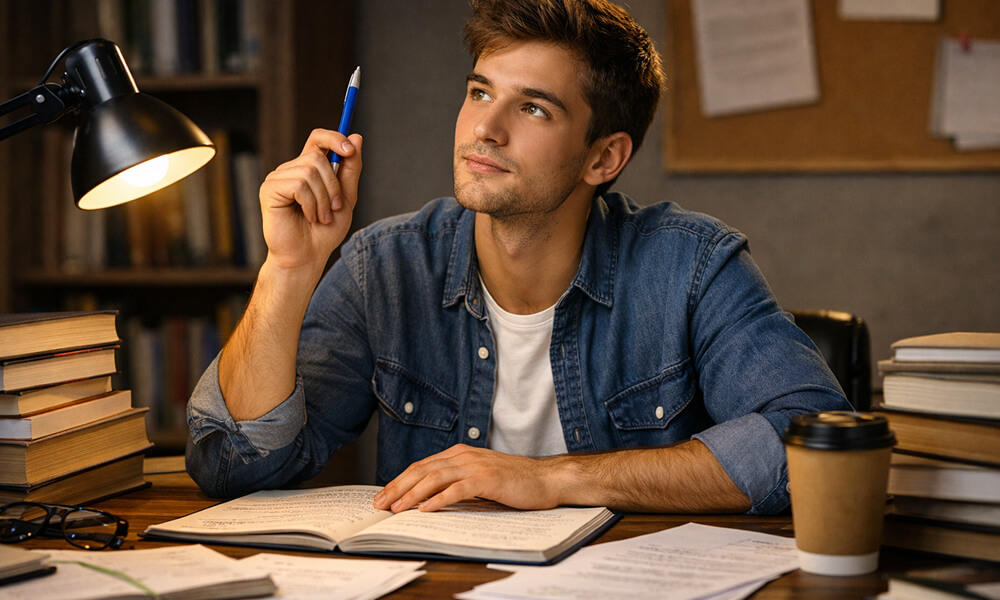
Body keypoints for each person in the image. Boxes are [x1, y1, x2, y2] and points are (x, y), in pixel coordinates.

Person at [185, 0, 849, 516]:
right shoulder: (383, 269)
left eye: (532, 108)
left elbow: (814, 444)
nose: (485, 128)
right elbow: (234, 467)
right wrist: (289, 270)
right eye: (479, 92)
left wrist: (550, 479)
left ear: (603, 157)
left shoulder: (692, 268)